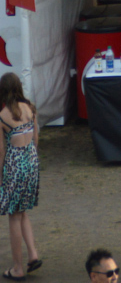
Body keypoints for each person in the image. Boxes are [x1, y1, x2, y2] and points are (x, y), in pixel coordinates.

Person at [0, 73, 40, 280]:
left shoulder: (2, 115)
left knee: (13, 217)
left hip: (14, 167)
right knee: (22, 212)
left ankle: (17, 268)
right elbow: (35, 140)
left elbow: (1, 152)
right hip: (31, 163)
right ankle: (32, 254)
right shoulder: (31, 109)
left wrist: (1, 177)